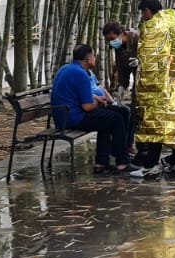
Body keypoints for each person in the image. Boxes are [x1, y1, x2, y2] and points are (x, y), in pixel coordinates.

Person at [130, 0, 175, 178]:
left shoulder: (154, 27)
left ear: (148, 10)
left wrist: (140, 65)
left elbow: (151, 59)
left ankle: (151, 165)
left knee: (155, 122)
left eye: (144, 13)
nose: (144, 17)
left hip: (159, 86)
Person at [51, 44, 129, 173]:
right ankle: (121, 161)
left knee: (118, 113)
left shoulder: (66, 68)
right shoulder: (81, 74)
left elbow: (76, 94)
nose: (95, 59)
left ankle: (101, 163)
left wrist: (97, 99)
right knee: (116, 119)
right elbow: (87, 107)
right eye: (93, 56)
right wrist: (100, 103)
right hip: (74, 118)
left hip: (64, 116)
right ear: (87, 59)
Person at [100, 22, 140, 98]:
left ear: (121, 33)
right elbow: (121, 67)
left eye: (112, 38)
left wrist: (140, 61)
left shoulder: (137, 38)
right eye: (109, 41)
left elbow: (151, 56)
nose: (111, 42)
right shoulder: (118, 47)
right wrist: (122, 85)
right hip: (136, 80)